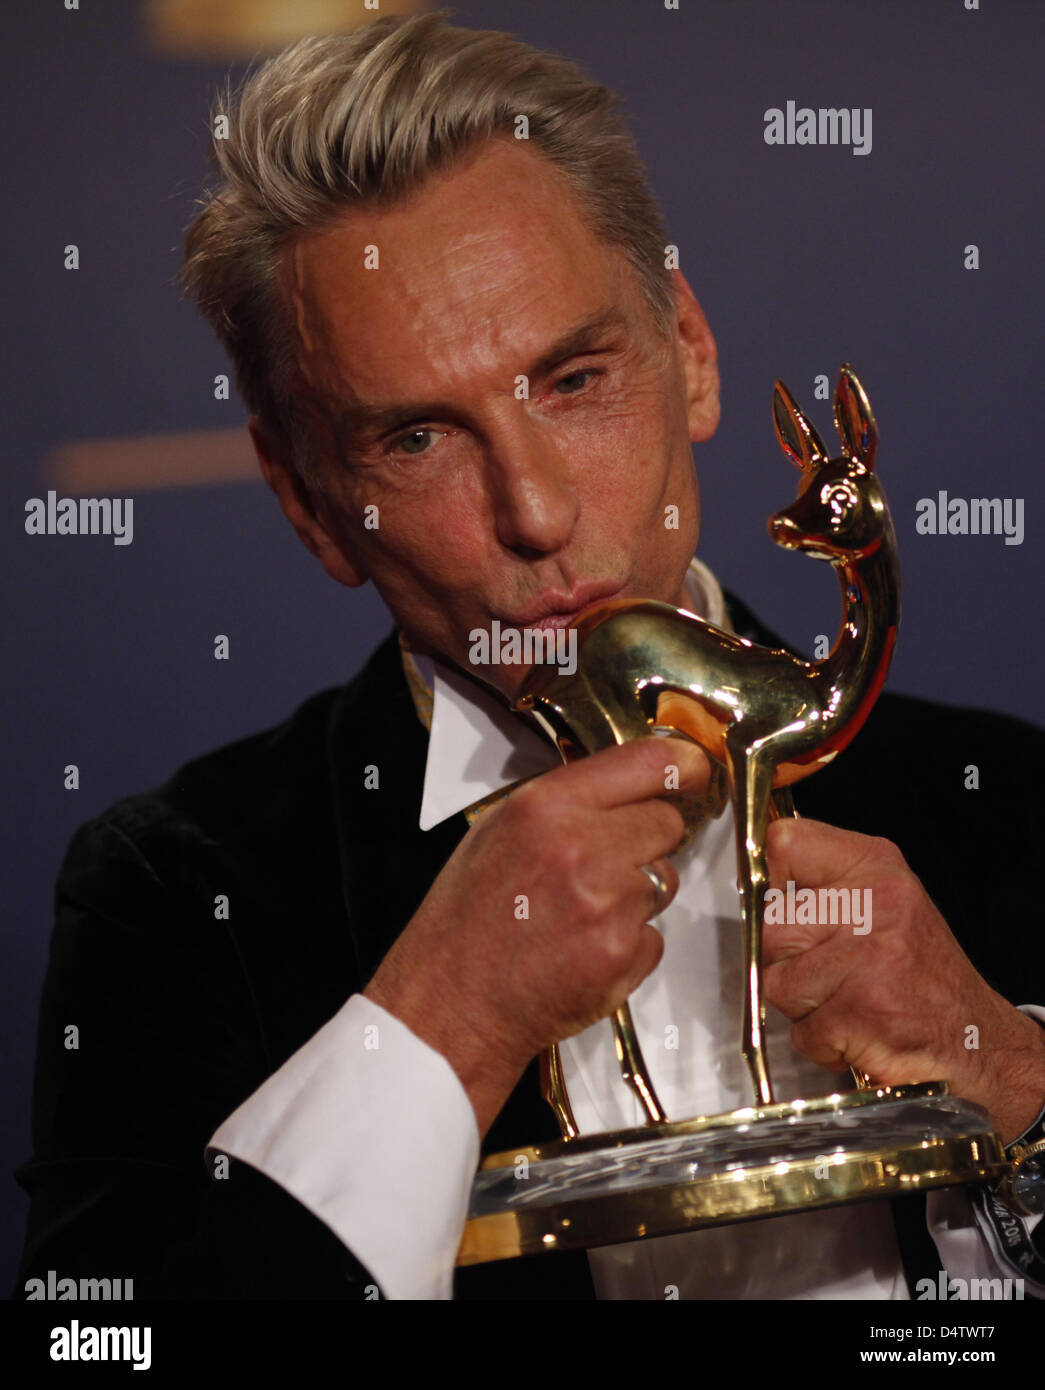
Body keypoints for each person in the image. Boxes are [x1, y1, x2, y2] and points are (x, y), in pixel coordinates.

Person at [15, 11, 1045, 1301]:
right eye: (419, 440)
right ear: (307, 503)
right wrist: (442, 1023)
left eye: (573, 380)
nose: (539, 512)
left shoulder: (1009, 806)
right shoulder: (175, 896)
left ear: (693, 354)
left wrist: (1015, 1083)